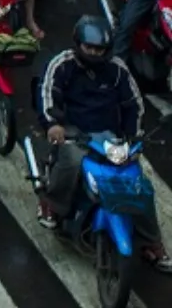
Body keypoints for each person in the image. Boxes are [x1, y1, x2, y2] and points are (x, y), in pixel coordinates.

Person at [35, 17, 170, 270]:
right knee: (72, 160)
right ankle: (52, 204)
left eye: (100, 49)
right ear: (79, 44)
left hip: (110, 137)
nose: (95, 53)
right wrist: (53, 124)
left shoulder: (117, 69)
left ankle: (152, 242)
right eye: (90, 48)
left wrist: (135, 136)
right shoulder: (62, 64)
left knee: (138, 183)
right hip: (74, 133)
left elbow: (134, 104)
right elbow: (47, 93)